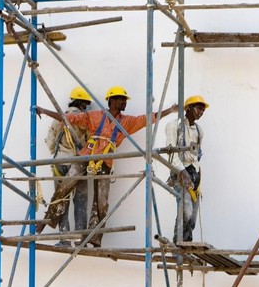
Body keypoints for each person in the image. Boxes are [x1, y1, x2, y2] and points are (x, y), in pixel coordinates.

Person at [35, 86, 177, 247]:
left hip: (106, 162)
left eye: (124, 99)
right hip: (87, 156)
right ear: (111, 100)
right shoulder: (95, 116)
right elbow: (69, 119)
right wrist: (45, 111)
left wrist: (169, 111)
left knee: (101, 202)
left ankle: (93, 238)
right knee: (64, 187)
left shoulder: (126, 122)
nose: (124, 102)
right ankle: (46, 220)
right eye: (121, 99)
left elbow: (147, 119)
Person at [43, 87, 92, 247]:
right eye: (86, 104)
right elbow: (89, 142)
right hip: (77, 164)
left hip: (59, 164)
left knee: (61, 200)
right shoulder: (84, 119)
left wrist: (58, 152)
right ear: (81, 103)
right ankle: (79, 240)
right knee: (80, 201)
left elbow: (50, 141)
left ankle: (64, 239)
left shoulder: (59, 118)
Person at [164, 95, 209, 243]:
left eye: (203, 110)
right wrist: (182, 172)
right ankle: (178, 246)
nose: (201, 112)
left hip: (195, 175)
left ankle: (186, 247)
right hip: (180, 172)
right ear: (188, 108)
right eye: (198, 108)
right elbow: (171, 154)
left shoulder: (199, 130)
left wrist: (194, 174)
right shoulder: (174, 126)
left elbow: (197, 154)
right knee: (186, 212)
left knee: (193, 219)